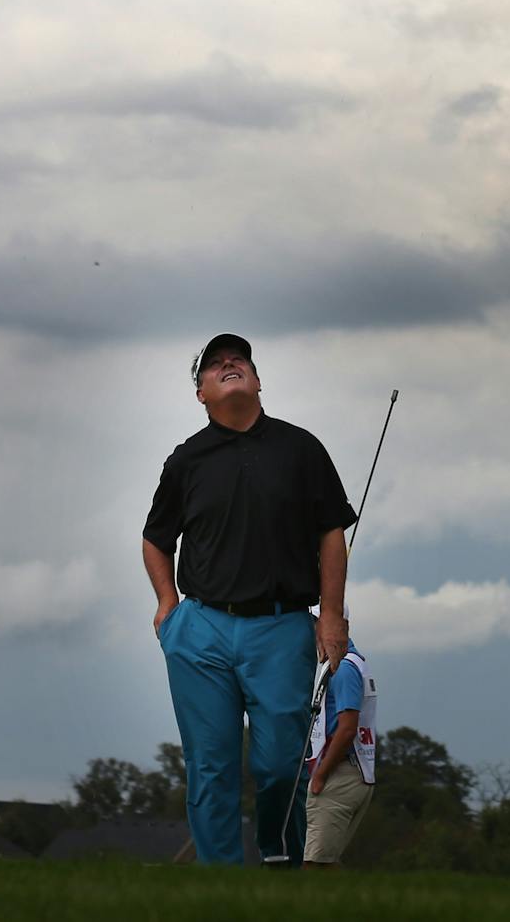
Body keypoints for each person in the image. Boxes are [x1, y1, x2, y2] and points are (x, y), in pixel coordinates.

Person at [142, 333, 357, 866]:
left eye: (238, 359)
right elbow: (155, 538)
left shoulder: (301, 448)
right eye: (215, 365)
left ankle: (275, 854)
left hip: (282, 629)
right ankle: (220, 881)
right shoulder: (185, 461)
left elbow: (333, 533)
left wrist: (332, 615)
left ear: (258, 381)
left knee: (280, 764)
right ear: (201, 394)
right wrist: (169, 607)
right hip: (202, 630)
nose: (229, 364)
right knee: (210, 766)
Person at [303, 607, 377, 869]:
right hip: (351, 773)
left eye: (312, 621)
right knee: (327, 863)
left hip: (339, 775)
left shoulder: (343, 668)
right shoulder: (349, 662)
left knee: (314, 866)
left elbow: (347, 729)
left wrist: (320, 775)